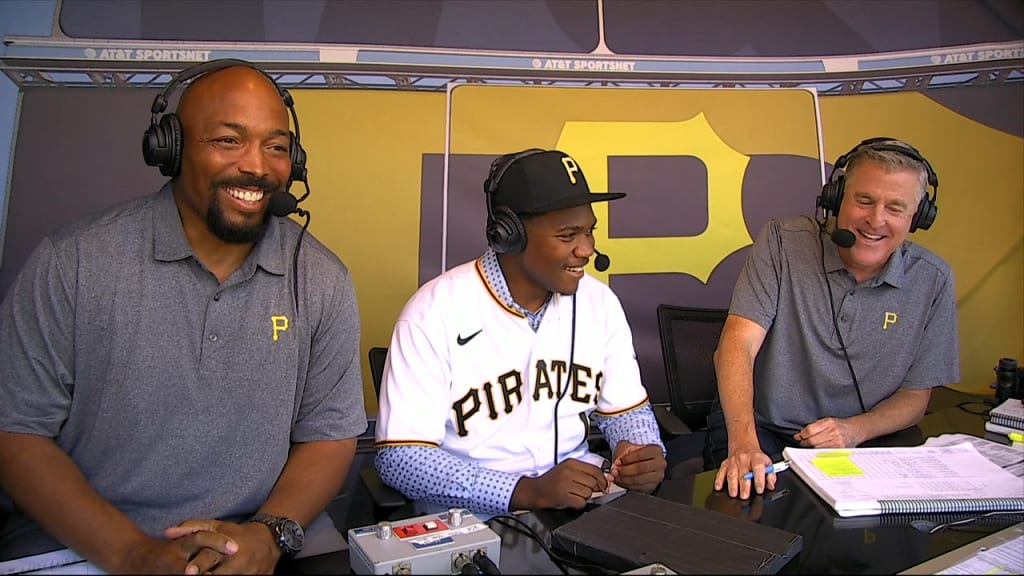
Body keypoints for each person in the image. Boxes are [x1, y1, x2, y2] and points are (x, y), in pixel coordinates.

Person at [0, 60, 366, 574]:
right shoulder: (74, 262)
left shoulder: (322, 278)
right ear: (170, 148)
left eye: (277, 147)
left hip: (253, 537)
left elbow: (329, 435)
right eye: (228, 140)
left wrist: (268, 534)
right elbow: (15, 432)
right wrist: (132, 552)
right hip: (86, 542)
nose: (257, 166)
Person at [374, 148, 667, 516]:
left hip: (582, 507)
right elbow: (401, 459)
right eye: (568, 235)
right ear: (508, 235)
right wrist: (523, 492)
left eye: (590, 231)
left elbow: (627, 414)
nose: (587, 249)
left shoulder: (599, 302)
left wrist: (640, 451)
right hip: (473, 521)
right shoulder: (432, 313)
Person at [705, 137, 959, 499]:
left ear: (917, 218)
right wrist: (744, 441)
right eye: (864, 201)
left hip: (863, 442)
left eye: (896, 208)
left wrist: (856, 430)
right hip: (763, 432)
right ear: (837, 198)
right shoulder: (783, 241)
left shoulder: (933, 279)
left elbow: (915, 396)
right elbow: (737, 343)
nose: (876, 220)